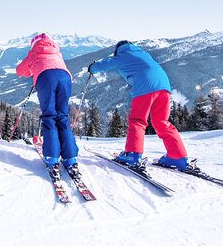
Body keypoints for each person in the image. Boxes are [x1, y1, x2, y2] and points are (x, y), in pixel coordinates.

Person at [88, 40, 189, 169]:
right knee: (162, 122)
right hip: (164, 88)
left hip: (145, 88)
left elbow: (106, 64)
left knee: (137, 121)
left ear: (117, 50)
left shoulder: (122, 56)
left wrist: (92, 68)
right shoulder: (143, 53)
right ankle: (178, 157)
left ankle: (132, 155)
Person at [16, 33, 80, 175]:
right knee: (62, 117)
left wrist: (32, 71)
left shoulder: (34, 52)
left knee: (49, 117)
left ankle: (52, 157)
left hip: (46, 78)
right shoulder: (56, 51)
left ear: (33, 43)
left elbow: (19, 71)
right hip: (65, 78)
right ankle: (71, 158)